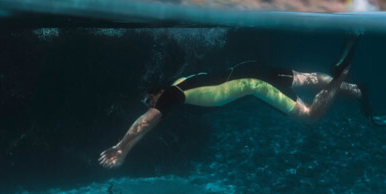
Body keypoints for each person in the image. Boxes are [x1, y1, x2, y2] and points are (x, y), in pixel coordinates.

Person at [98, 36, 370, 169]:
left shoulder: (171, 95)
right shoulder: (181, 81)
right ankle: (356, 90)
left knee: (310, 116)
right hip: (251, 68)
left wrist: (122, 148)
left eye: (149, 99)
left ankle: (340, 74)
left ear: (157, 92)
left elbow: (145, 122)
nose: (150, 104)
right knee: (308, 79)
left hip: (254, 84)